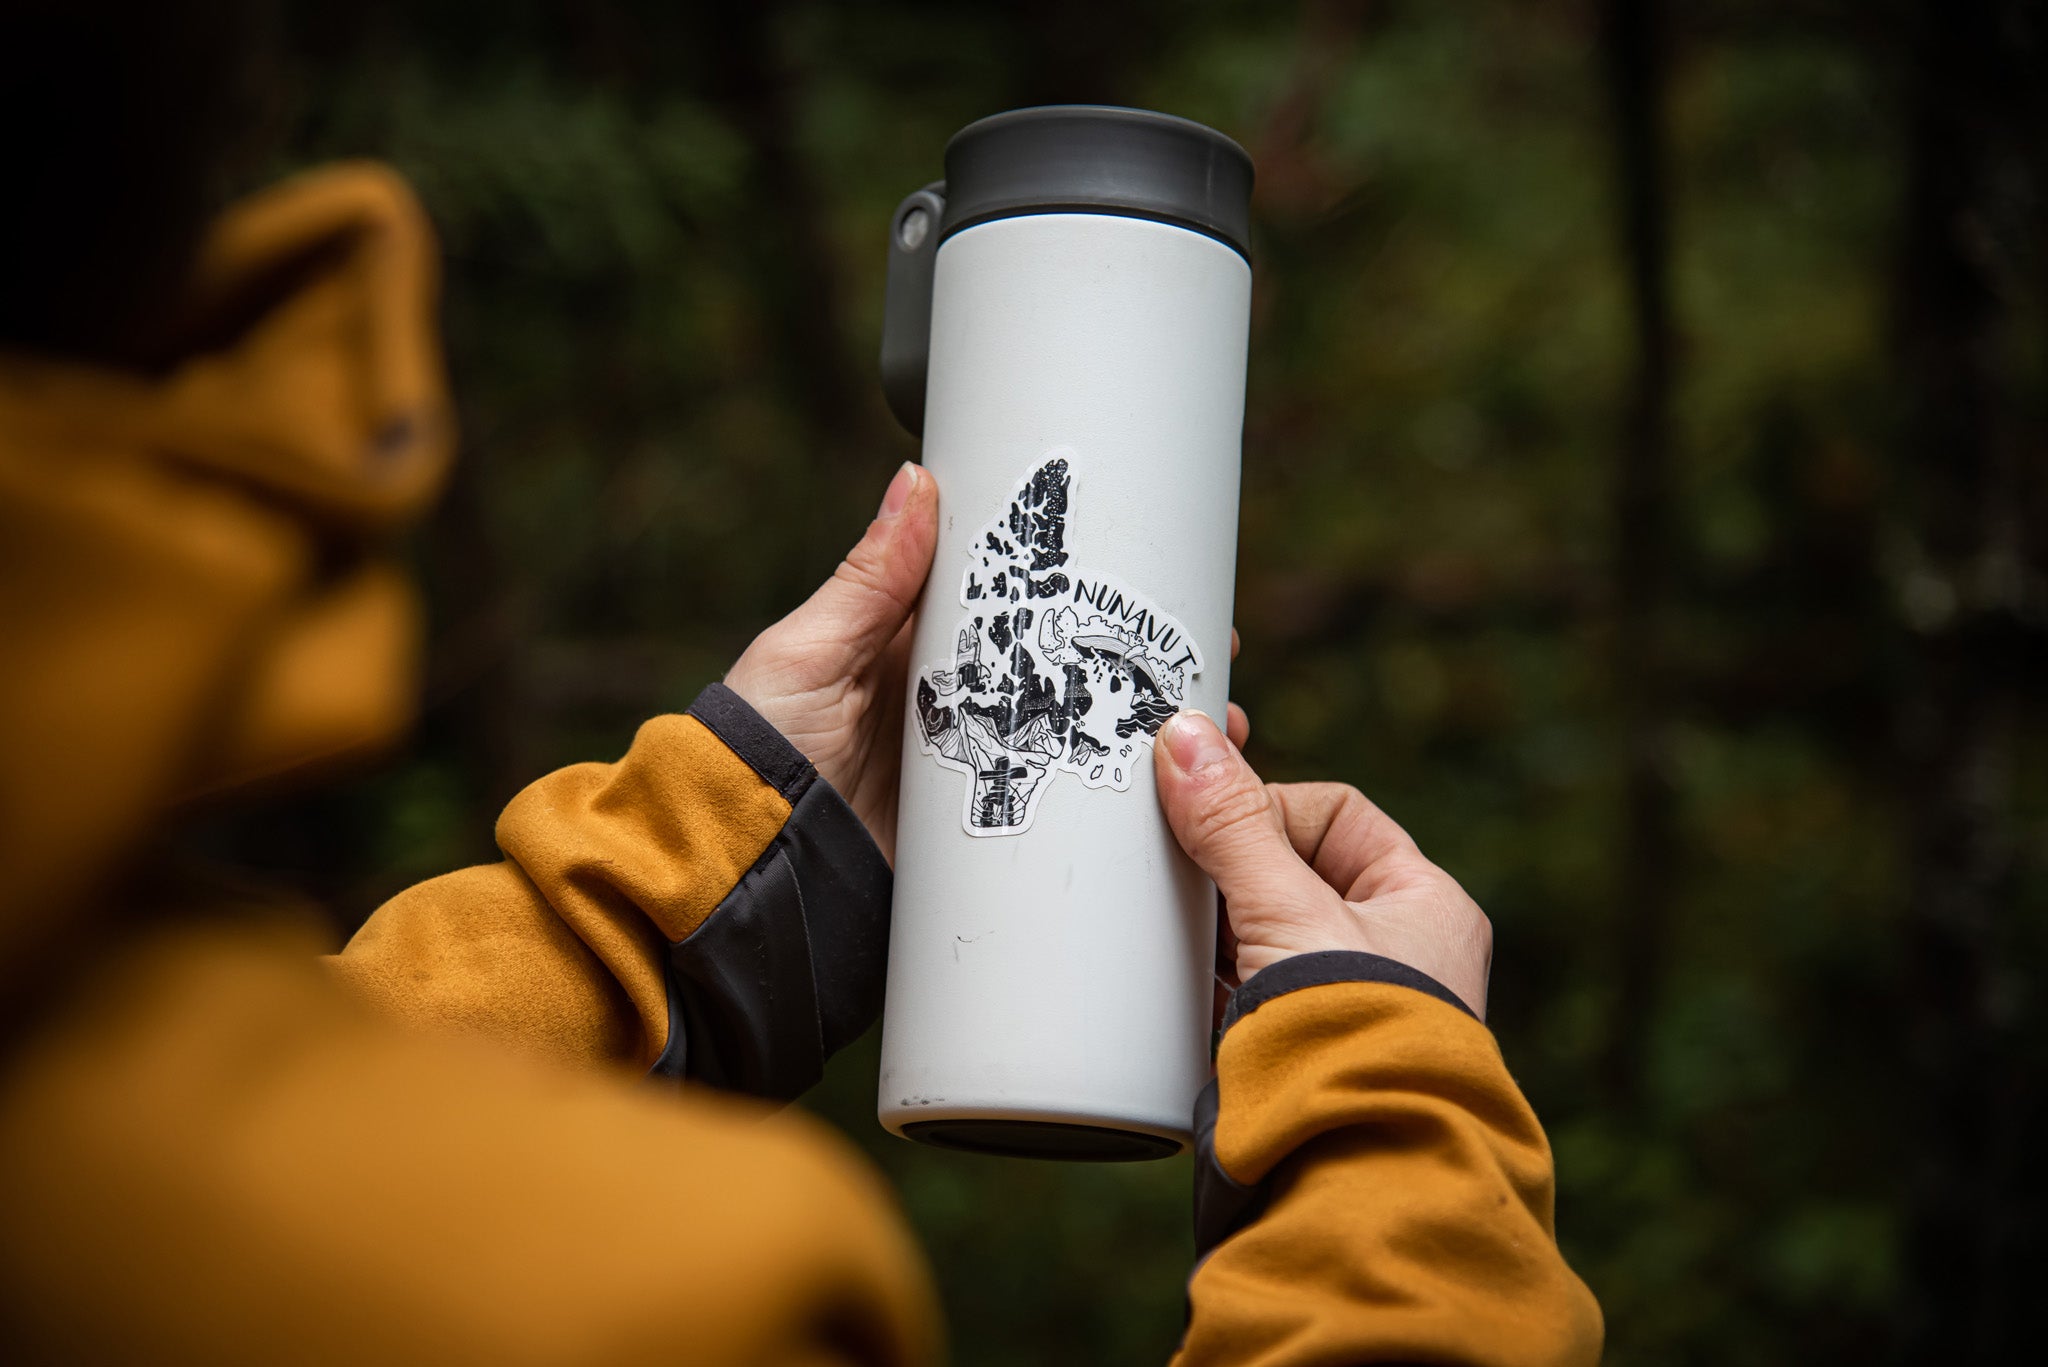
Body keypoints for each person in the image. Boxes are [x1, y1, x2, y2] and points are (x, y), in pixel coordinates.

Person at [0, 15, 1602, 1365]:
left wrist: (742, 864)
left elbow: (307, 1117)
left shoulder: (102, 1132)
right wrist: (1389, 1103)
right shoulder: (665, 1305)